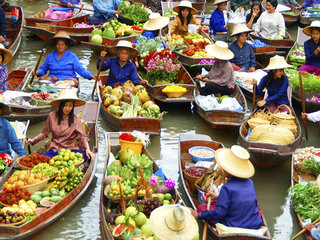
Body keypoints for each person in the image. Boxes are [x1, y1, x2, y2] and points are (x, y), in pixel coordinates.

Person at [189, 145, 263, 230]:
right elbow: (241, 200)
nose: (223, 170)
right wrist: (218, 197)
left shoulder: (227, 188)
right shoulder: (250, 182)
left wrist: (198, 215)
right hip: (254, 224)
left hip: (233, 226)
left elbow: (219, 213)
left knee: (201, 208)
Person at [26, 89, 95, 160]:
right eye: (65, 105)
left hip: (71, 150)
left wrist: (87, 149)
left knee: (85, 157)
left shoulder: (76, 120)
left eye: (70, 106)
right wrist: (33, 140)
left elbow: (82, 137)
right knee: (42, 159)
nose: (67, 108)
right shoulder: (52, 116)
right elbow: (44, 133)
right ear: (61, 105)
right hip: (55, 150)